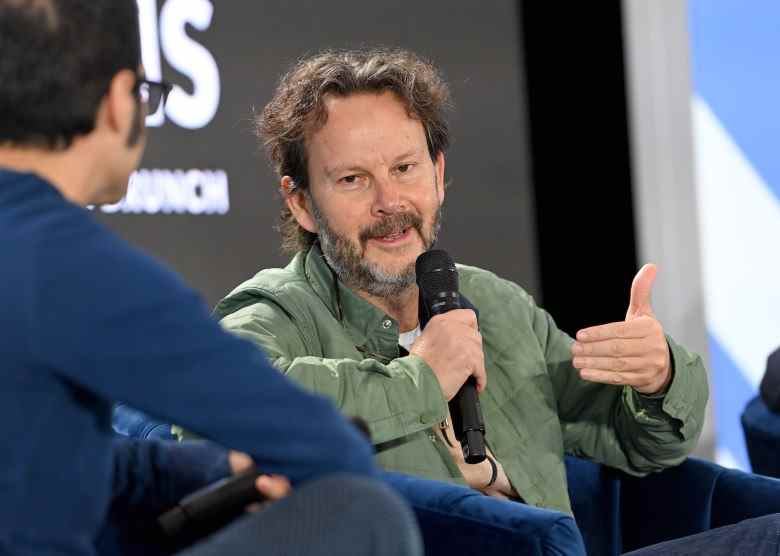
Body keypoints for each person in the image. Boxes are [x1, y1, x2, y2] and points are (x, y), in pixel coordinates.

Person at [0, 3, 422, 555]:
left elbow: (51, 461)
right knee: (365, 515)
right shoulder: (71, 266)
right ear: (117, 102)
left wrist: (220, 466)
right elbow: (330, 448)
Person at [214, 46, 710, 513]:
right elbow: (228, 402)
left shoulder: (495, 304)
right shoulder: (276, 313)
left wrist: (659, 377)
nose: (390, 202)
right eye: (353, 179)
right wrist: (422, 379)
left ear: (437, 173)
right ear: (301, 202)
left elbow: (641, 446)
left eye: (405, 168)